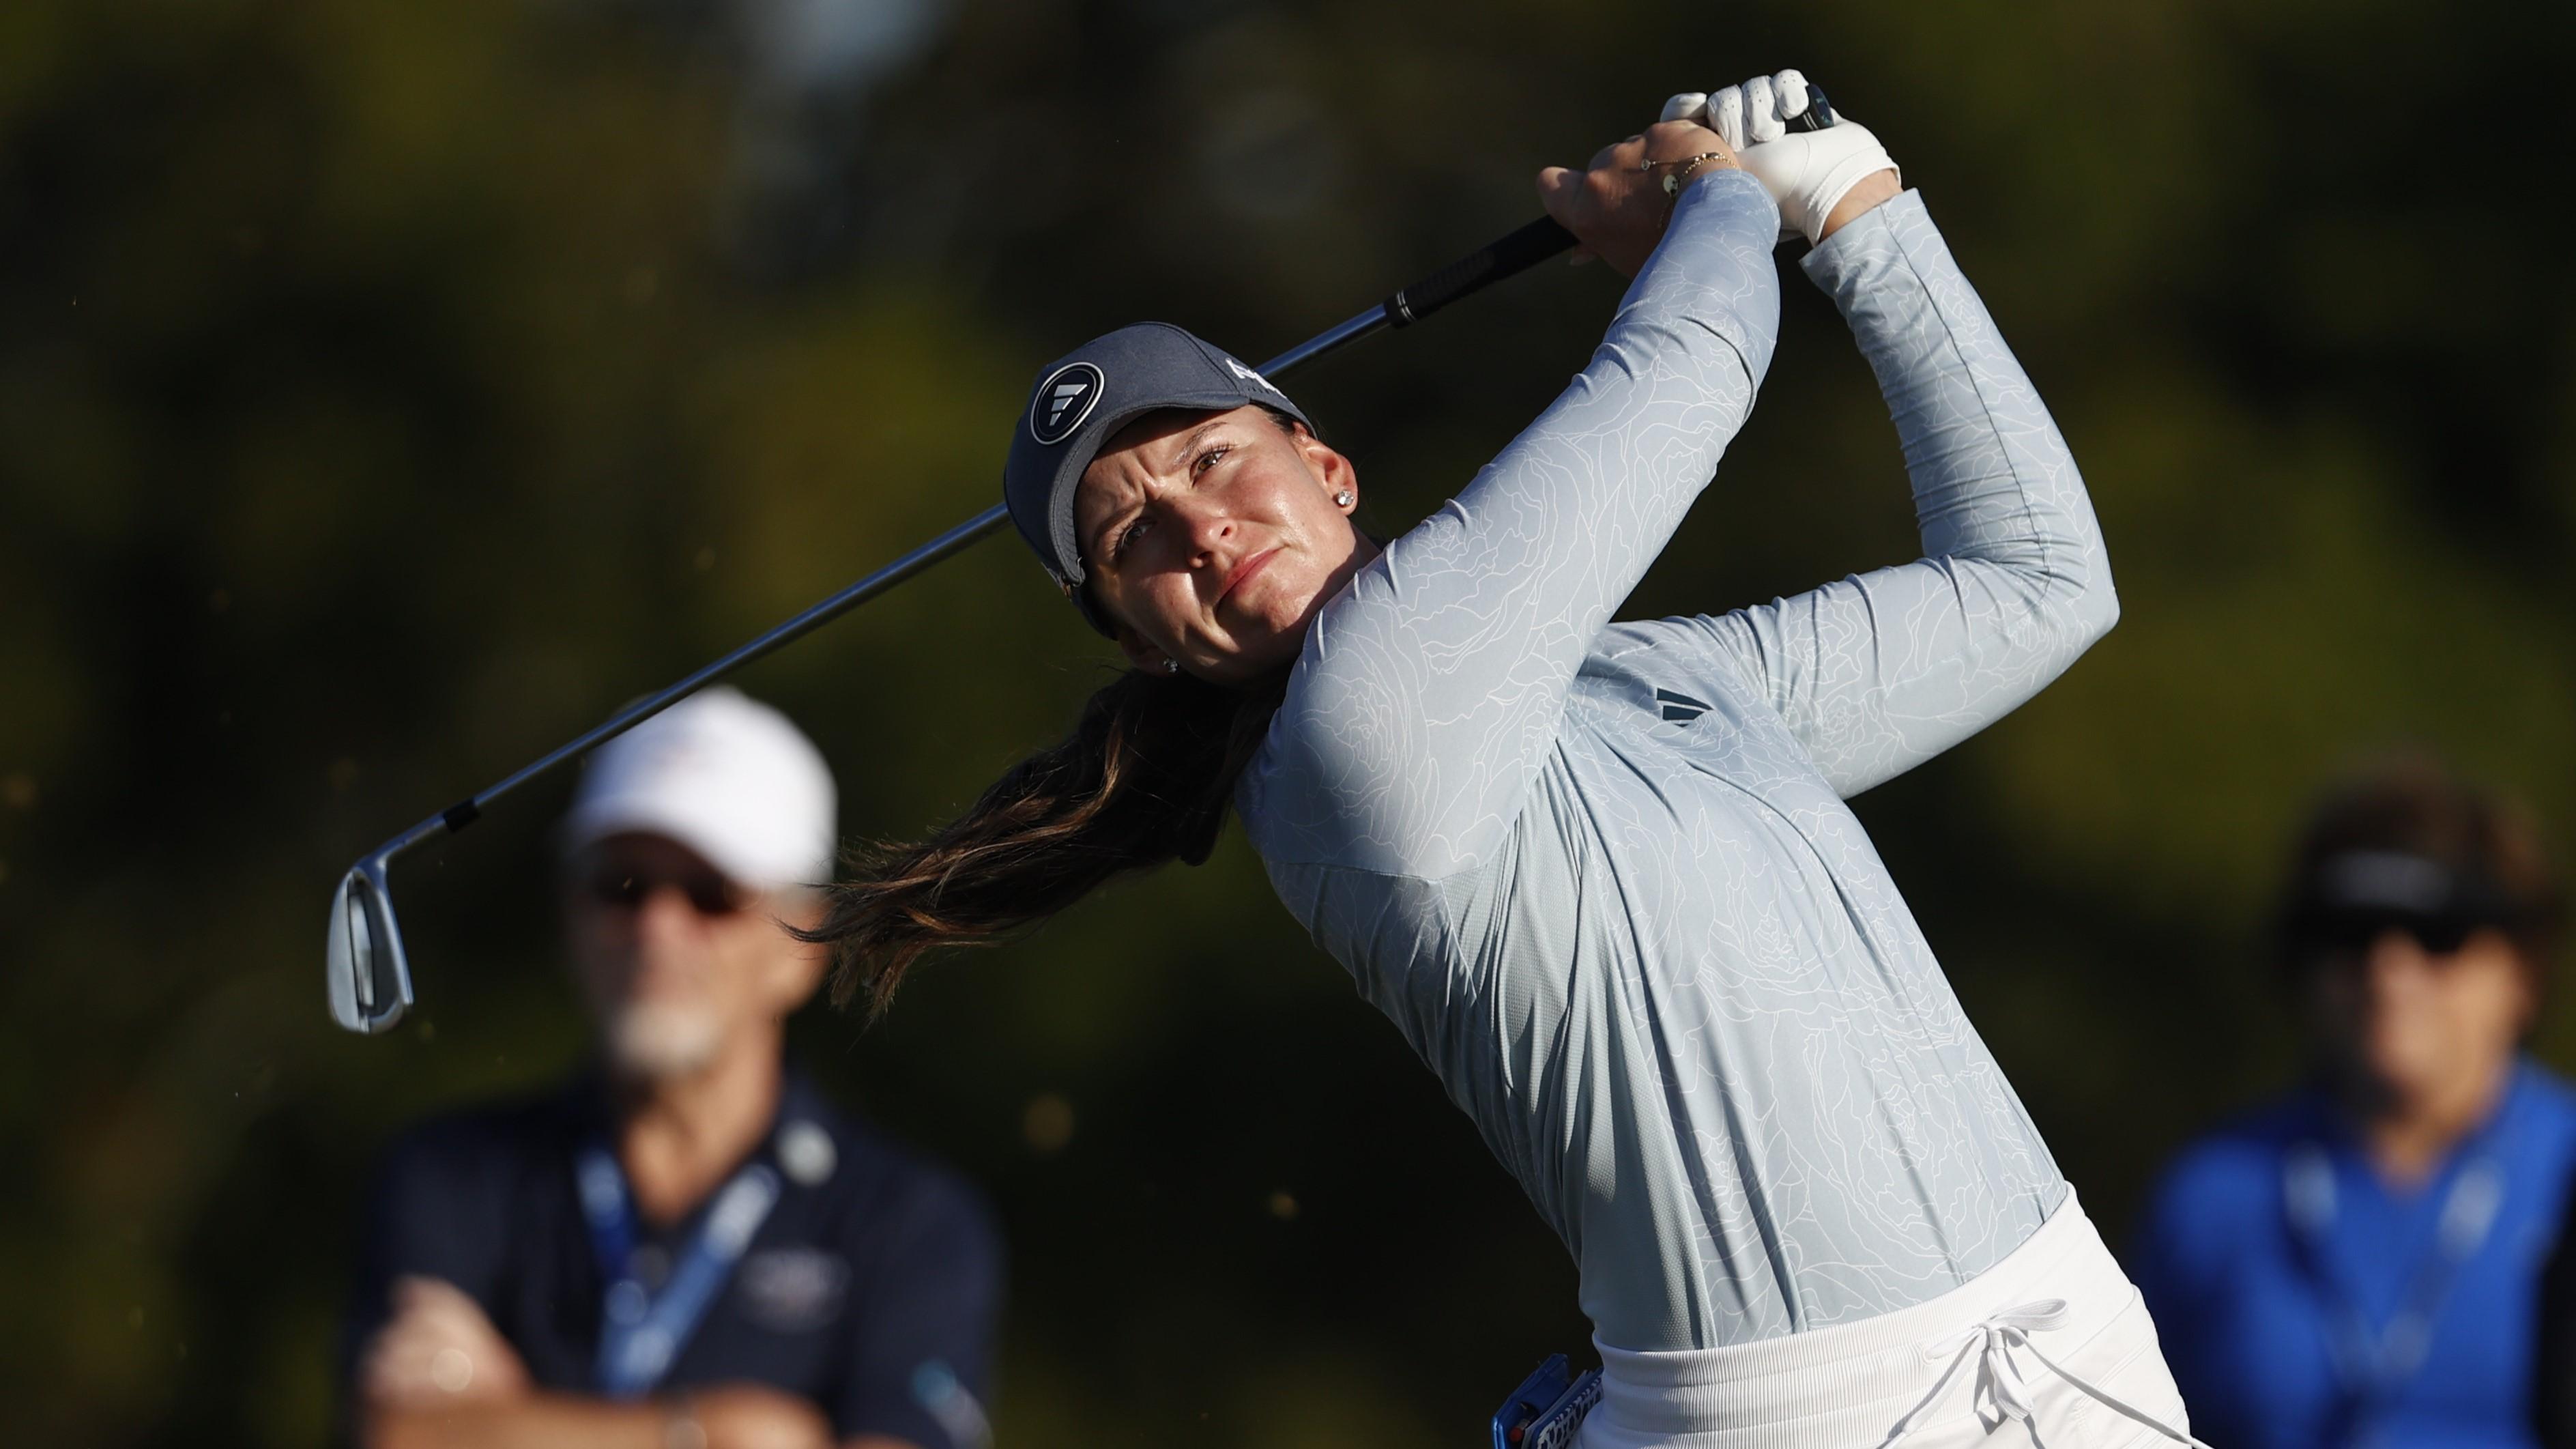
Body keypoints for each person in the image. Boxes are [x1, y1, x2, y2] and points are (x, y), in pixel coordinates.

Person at [807, 70, 2197, 1447]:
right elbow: (1689, 368)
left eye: (1214, 458)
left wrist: (1865, 216)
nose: (1200, 527)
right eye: (1133, 540)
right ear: (1143, 642)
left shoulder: (1655, 678)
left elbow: (2038, 580)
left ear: (1326, 467)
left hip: (2075, 1342)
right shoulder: (1351, 734)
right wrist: (1708, 191)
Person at [343, 687, 1002, 1449]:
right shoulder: (449, 1170)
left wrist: (502, 1422)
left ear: (806, 946)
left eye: (710, 893)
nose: (657, 927)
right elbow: (399, 1433)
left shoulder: (911, 1221)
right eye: (619, 885)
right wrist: (715, 1431)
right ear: (571, 916)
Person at [2130, 758, 2576, 1449]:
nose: (2389, 971)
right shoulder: (2211, 1192)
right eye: (2351, 933)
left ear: (2521, 970)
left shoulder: (2563, 1169)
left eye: (2439, 935)